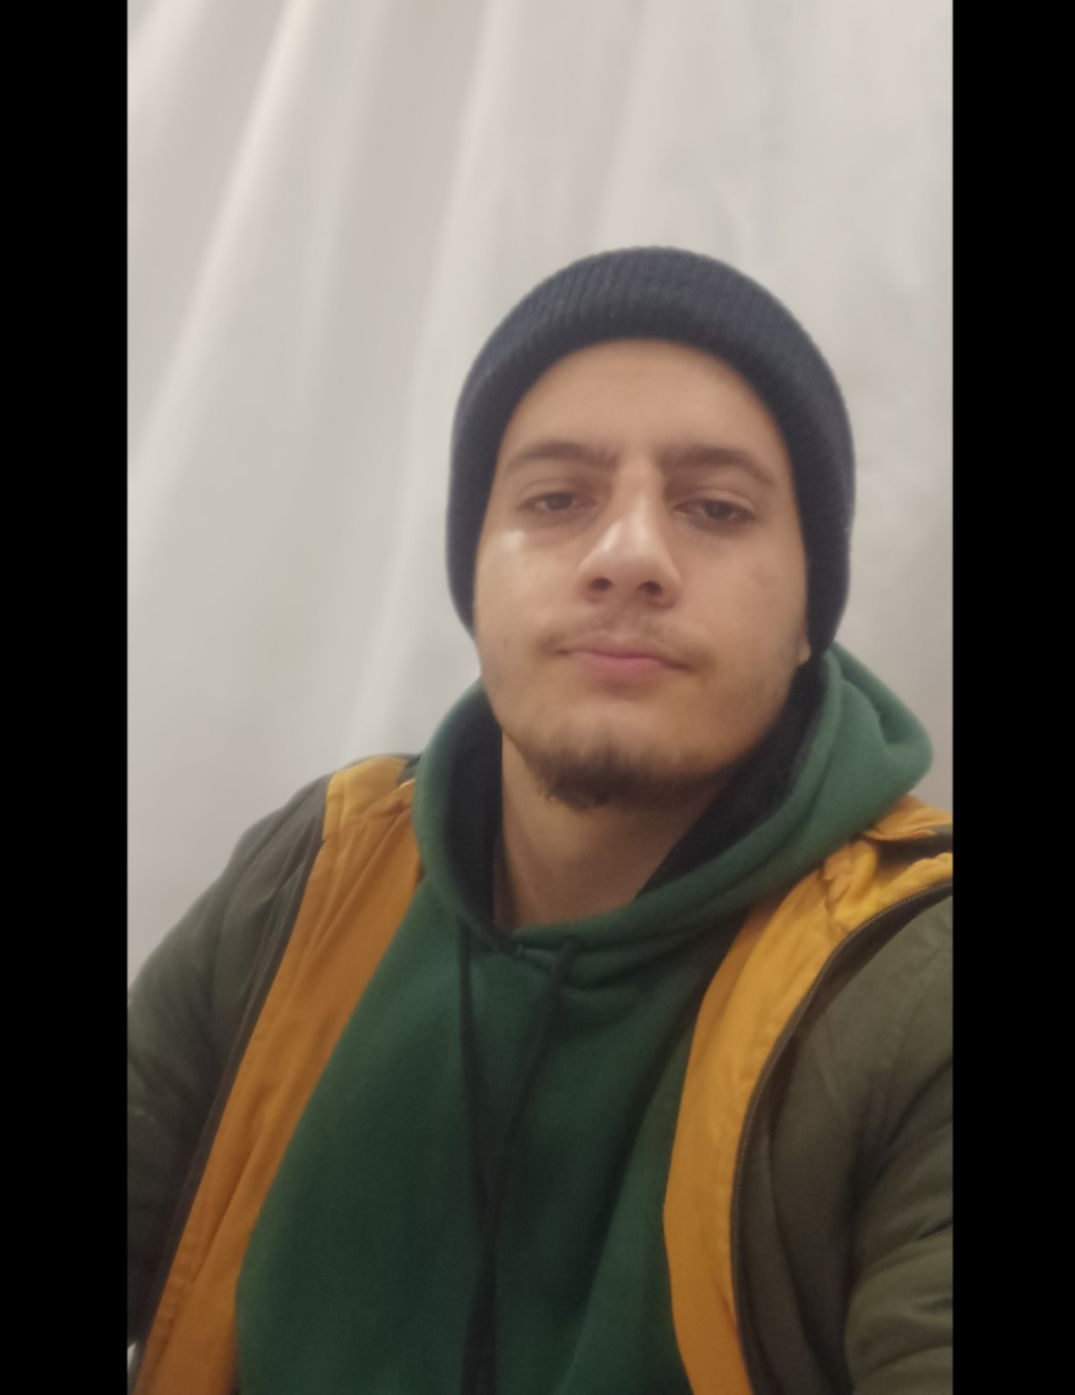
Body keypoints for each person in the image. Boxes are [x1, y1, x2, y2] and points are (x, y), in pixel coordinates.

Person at [127, 247, 952, 1395]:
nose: (629, 557)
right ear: (474, 576)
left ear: (813, 608)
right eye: (557, 500)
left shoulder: (915, 988)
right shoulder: (310, 879)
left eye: (716, 508)